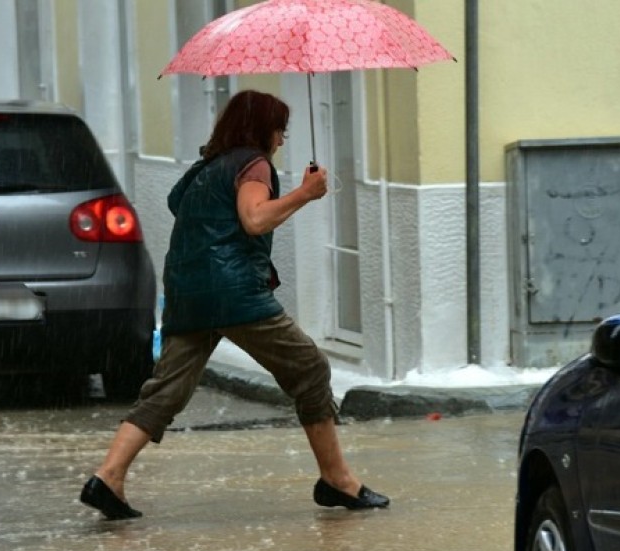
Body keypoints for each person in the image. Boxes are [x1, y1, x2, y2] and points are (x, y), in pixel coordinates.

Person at [80, 90, 389, 520]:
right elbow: (255, 219)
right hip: (234, 292)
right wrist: (305, 193)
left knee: (166, 390)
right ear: (262, 128)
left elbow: (180, 206)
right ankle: (336, 479)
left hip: (189, 292)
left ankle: (108, 477)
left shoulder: (206, 168)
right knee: (311, 369)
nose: (281, 139)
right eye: (280, 129)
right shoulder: (253, 163)